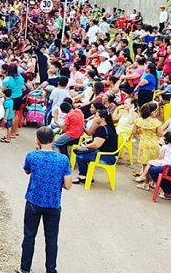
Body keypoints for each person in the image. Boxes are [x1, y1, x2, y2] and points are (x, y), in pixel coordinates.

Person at [18, 126, 72, 273]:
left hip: (34, 201)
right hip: (53, 203)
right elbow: (68, 185)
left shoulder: (32, 156)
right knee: (52, 239)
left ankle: (25, 269)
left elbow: (27, 170)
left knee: (29, 236)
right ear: (53, 139)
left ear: (37, 139)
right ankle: (51, 269)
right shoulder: (62, 159)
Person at [72, 109, 118, 184]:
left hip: (107, 157)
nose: (94, 118)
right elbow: (99, 140)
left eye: (96, 117)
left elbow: (96, 145)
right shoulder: (109, 127)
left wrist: (85, 146)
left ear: (102, 119)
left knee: (80, 156)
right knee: (82, 153)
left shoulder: (102, 129)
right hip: (110, 155)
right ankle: (84, 176)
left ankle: (83, 176)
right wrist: (89, 141)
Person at [132, 102, 163, 188]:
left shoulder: (139, 120)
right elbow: (160, 134)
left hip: (144, 145)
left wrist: (141, 132)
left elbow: (133, 131)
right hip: (154, 144)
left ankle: (146, 183)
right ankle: (154, 182)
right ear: (153, 112)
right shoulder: (156, 122)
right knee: (154, 163)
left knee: (145, 164)